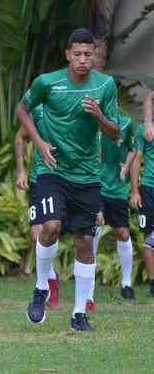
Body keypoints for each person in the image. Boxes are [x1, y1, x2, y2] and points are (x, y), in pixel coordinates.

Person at [17, 28, 120, 331]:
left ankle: (79, 314)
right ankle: (40, 288)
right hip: (51, 170)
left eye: (89, 54)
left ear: (95, 55)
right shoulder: (47, 82)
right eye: (78, 54)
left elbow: (114, 134)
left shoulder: (105, 85)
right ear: (68, 55)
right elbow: (22, 110)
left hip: (87, 175)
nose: (83, 60)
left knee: (85, 242)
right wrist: (38, 142)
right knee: (50, 227)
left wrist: (99, 115)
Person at [89, 101, 136, 307]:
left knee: (123, 233)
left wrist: (126, 166)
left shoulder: (126, 124)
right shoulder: (92, 123)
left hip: (117, 188)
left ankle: (126, 284)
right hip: (95, 184)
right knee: (96, 225)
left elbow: (133, 149)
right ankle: (88, 285)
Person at [14, 105, 60, 309]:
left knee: (53, 230)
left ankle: (50, 285)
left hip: (67, 181)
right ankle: (49, 280)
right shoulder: (39, 109)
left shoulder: (78, 105)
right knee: (37, 235)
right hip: (39, 180)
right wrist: (21, 170)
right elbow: (20, 137)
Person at [130, 90, 154, 297]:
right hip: (149, 188)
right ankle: (153, 283)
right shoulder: (145, 130)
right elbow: (136, 160)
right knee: (150, 237)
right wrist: (135, 191)